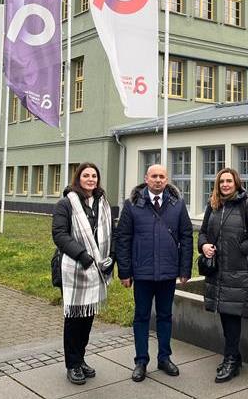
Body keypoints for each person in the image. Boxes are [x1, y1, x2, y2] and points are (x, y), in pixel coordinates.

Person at [115, 164, 193, 382]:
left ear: (167, 180)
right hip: (142, 273)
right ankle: (141, 361)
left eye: (162, 176)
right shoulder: (132, 205)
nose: (158, 180)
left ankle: (164, 358)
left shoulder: (177, 205)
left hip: (168, 273)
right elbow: (123, 239)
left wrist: (185, 269)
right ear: (146, 179)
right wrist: (125, 271)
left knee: (165, 316)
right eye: (154, 176)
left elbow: (186, 237)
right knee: (141, 317)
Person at [198, 167, 248, 383]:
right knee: (224, 315)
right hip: (217, 270)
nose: (225, 184)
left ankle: (230, 360)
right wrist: (204, 246)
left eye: (229, 181)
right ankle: (234, 357)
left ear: (236, 183)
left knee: (232, 315)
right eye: (221, 182)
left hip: (238, 271)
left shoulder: (247, 205)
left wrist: (242, 248)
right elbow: (203, 233)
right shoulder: (213, 205)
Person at [52, 162, 115, 385]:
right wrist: (82, 255)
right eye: (86, 175)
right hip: (75, 268)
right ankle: (72, 365)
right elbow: (59, 235)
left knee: (87, 318)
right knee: (74, 320)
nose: (91, 179)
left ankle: (80, 358)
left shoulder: (102, 203)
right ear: (78, 178)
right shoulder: (66, 204)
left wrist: (111, 257)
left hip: (97, 269)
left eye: (94, 176)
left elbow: (111, 233)